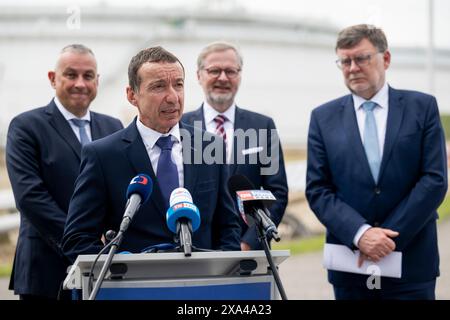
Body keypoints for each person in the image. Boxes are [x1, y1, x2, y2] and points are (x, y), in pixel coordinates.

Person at [306, 24, 447, 300]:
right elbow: (318, 189)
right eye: (345, 61)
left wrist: (387, 239)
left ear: (386, 59)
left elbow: (434, 179)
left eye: (362, 58)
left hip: (411, 263)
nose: (352, 67)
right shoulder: (323, 118)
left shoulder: (423, 108)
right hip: (350, 265)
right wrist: (361, 234)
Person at [61, 46, 241, 264]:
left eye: (178, 85)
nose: (173, 97)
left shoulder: (211, 146)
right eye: (158, 87)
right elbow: (77, 239)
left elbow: (228, 227)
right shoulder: (103, 155)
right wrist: (121, 269)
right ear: (132, 95)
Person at [6, 44, 123, 300]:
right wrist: (83, 245)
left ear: (97, 81)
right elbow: (30, 197)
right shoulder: (26, 127)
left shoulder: (113, 127)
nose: (80, 83)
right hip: (46, 269)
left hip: (104, 268)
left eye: (88, 76)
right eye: (71, 74)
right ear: (53, 78)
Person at [182, 41, 288, 251]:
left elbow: (277, 192)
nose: (223, 77)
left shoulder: (262, 126)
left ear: (240, 75)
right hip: (193, 249)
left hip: (248, 250)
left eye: (230, 71)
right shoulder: (181, 127)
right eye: (214, 70)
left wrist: (250, 241)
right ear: (199, 75)